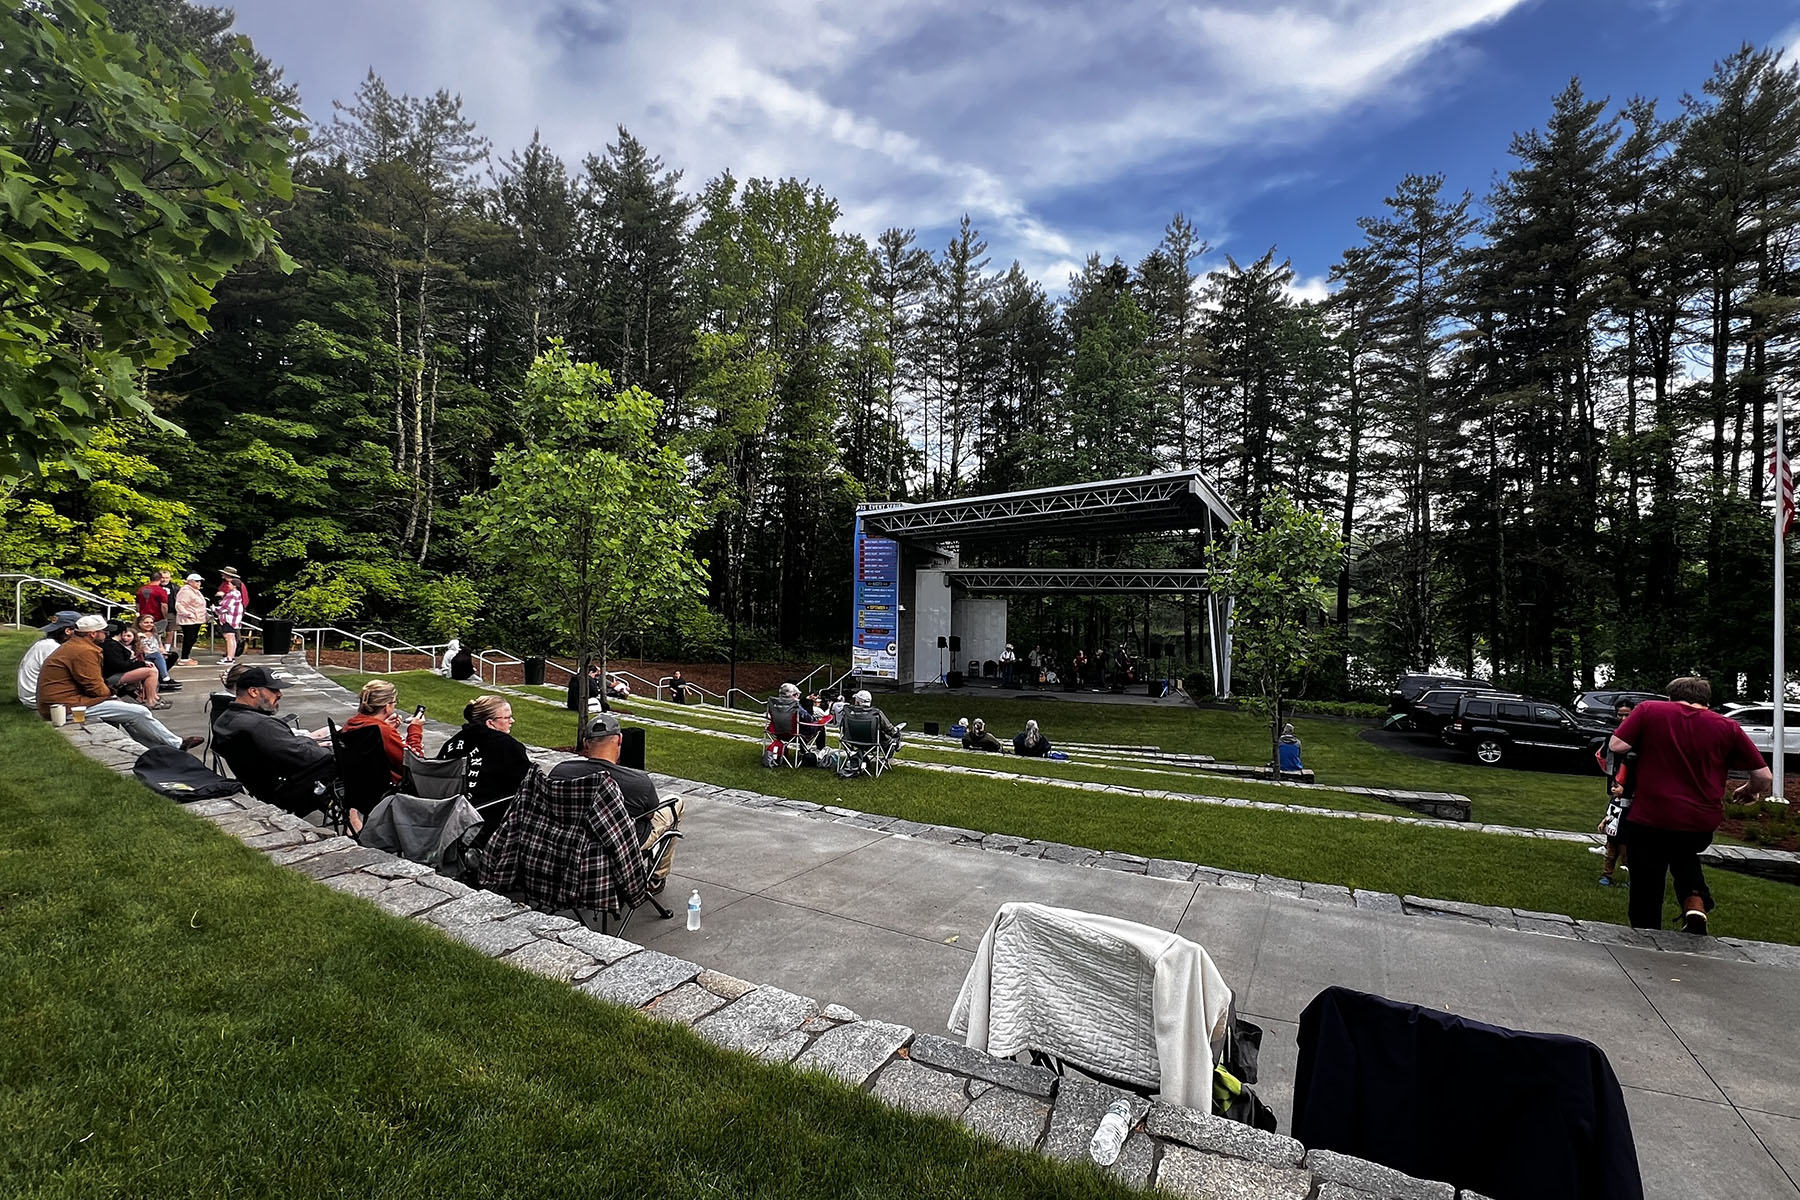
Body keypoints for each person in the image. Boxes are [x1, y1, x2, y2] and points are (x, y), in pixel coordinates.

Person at [1608, 677, 1771, 934]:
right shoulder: (1727, 726)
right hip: (1699, 819)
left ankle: (1645, 934)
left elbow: (1617, 746)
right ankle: (1695, 901)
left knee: (1647, 880)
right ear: (1707, 700)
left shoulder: (1650, 710)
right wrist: (1749, 791)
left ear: (1671, 696)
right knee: (1682, 852)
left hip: (1651, 814)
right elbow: (1764, 776)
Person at [547, 712, 685, 888]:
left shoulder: (560, 772)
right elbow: (649, 817)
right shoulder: (638, 782)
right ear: (620, 740)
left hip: (571, 844)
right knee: (675, 802)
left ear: (585, 743)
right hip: (621, 846)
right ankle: (656, 877)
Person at [36, 615, 202, 751]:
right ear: (92, 634)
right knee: (139, 711)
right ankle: (175, 744)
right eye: (103, 631)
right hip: (66, 706)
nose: (106, 634)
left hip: (64, 702)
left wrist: (109, 694)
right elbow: (95, 687)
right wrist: (111, 694)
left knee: (129, 714)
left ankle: (160, 750)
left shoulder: (75, 646)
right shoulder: (83, 651)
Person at [212, 666, 344, 821]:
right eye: (274, 690)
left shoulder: (224, 719)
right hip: (292, 790)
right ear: (253, 691)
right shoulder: (260, 725)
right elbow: (307, 756)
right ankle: (356, 821)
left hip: (265, 787)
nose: (280, 694)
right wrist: (327, 748)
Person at [439, 695, 532, 807]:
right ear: (490, 723)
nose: (512, 721)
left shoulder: (453, 743)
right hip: (486, 813)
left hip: (447, 809)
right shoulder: (507, 746)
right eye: (507, 717)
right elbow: (528, 782)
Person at [344, 679, 425, 785]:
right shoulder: (383, 732)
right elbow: (416, 762)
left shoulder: (350, 725)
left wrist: (386, 726)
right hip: (390, 790)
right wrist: (415, 728)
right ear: (387, 706)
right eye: (395, 702)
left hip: (359, 786)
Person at [1596, 698, 1639, 887]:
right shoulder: (1613, 734)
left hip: (1633, 788)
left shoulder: (1640, 737)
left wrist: (1627, 787)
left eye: (1627, 715)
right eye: (1620, 715)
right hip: (1617, 784)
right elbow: (1606, 756)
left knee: (1628, 844)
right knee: (1613, 838)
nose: (1623, 719)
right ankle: (1607, 873)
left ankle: (1634, 876)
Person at [17, 611, 79, 708]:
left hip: (33, 696)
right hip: (39, 699)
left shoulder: (45, 644)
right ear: (68, 631)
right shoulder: (52, 647)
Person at [102, 621, 164, 709]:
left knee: (151, 669)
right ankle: (151, 701)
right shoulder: (111, 645)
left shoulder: (111, 643)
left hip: (114, 672)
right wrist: (140, 663)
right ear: (122, 632)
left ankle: (153, 698)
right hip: (111, 676)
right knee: (151, 672)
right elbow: (120, 666)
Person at [133, 614, 179, 693]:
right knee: (156, 655)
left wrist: (164, 653)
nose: (149, 625)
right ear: (140, 623)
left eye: (151, 622)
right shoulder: (137, 635)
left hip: (156, 654)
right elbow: (141, 649)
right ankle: (165, 678)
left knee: (173, 655)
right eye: (146, 623)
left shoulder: (154, 634)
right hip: (144, 655)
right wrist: (157, 653)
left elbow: (160, 645)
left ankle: (160, 678)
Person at [849, 689, 900, 756]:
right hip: (873, 744)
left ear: (858, 702)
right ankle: (888, 755)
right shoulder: (876, 714)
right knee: (895, 735)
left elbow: (843, 727)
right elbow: (889, 729)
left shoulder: (849, 713)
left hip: (853, 742)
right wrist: (896, 732)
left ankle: (858, 757)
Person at [174, 573, 207, 665]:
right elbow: (179, 604)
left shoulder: (195, 590)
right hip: (189, 620)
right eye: (196, 581)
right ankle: (184, 658)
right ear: (190, 582)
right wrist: (187, 614)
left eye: (200, 581)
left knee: (193, 638)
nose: (199, 583)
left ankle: (186, 657)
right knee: (189, 638)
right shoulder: (185, 591)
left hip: (197, 619)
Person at [215, 572, 246, 665]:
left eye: (230, 584)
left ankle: (229, 657)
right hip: (234, 619)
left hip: (229, 619)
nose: (228, 585)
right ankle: (231, 657)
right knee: (231, 637)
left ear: (235, 586)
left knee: (229, 637)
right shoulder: (237, 594)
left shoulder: (233, 594)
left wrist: (214, 608)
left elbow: (225, 607)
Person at [136, 569, 172, 641]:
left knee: (143, 635)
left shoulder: (141, 589)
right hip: (157, 617)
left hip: (144, 617)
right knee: (156, 636)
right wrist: (165, 617)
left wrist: (139, 613)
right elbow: (164, 606)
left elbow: (137, 604)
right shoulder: (161, 591)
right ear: (160, 579)